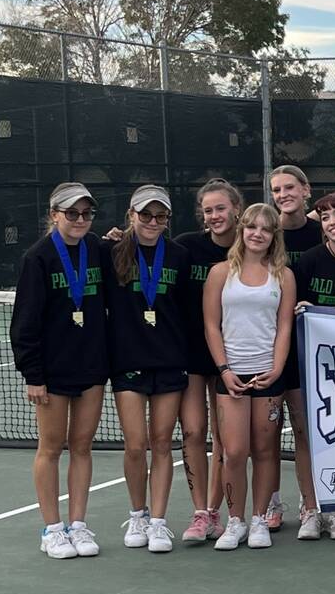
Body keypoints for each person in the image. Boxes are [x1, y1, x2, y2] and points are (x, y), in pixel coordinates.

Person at [11, 183, 107, 559]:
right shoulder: (38, 258)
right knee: (50, 448)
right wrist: (33, 375)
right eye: (72, 213)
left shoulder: (97, 249)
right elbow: (24, 323)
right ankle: (52, 528)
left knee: (82, 446)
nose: (80, 220)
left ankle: (78, 525)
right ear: (54, 215)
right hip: (51, 373)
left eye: (86, 213)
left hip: (92, 367)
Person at [102, 185, 191, 553]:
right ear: (131, 215)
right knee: (136, 445)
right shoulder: (111, 252)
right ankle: (137, 514)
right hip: (128, 362)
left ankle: (158, 521)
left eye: (160, 216)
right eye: (145, 215)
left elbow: (186, 309)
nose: (153, 222)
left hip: (169, 362)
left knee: (161, 444)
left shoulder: (179, 255)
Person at [204, 204, 297, 551]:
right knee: (234, 452)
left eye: (266, 229)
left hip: (268, 377)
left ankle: (259, 519)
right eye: (251, 227)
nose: (257, 234)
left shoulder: (283, 276)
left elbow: (285, 325)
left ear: (274, 236)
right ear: (242, 230)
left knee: (264, 450)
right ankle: (235, 521)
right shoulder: (219, 274)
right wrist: (224, 370)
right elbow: (211, 326)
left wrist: (276, 367)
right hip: (232, 378)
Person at [289, 191, 335, 541]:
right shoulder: (307, 261)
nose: (334, 220)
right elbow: (294, 309)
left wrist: (325, 312)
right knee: (305, 434)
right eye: (326, 215)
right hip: (308, 364)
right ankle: (310, 507)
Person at [174, 179, 243, 545]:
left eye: (220, 208)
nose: (215, 215)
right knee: (193, 432)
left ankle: (216, 512)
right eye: (208, 210)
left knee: (224, 439)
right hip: (190, 356)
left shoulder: (250, 248)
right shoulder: (186, 247)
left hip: (231, 358)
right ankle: (200, 511)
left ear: (236, 209)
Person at [266, 165, 324, 531]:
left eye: (290, 187)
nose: (283, 194)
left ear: (306, 190)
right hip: (266, 347)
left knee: (304, 430)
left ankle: (311, 506)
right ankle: (270, 504)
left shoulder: (323, 231)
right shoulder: (264, 234)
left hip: (310, 350)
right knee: (267, 434)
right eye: (276, 189)